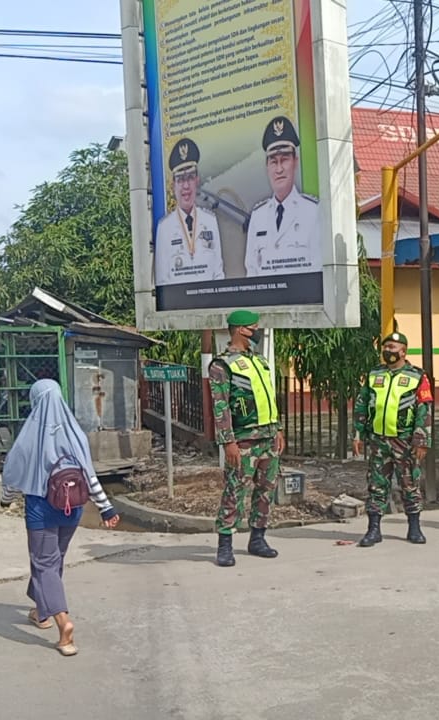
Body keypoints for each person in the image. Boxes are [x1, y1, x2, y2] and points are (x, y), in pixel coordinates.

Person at [0, 379, 120, 656]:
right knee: (53, 561)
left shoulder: (29, 436)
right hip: (73, 509)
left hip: (40, 509)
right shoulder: (75, 433)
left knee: (45, 563)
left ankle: (63, 624)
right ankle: (41, 611)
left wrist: (6, 500)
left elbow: (13, 476)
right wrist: (106, 508)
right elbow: (89, 476)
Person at [208, 309, 285, 567]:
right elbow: (220, 406)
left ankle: (258, 539)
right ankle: (225, 544)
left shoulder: (259, 360)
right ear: (241, 330)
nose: (257, 331)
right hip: (243, 440)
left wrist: (278, 428)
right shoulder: (222, 364)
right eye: (254, 327)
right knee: (235, 491)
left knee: (266, 490)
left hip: (268, 437)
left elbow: (268, 397)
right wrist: (228, 442)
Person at [352, 332, 433, 547]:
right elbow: (362, 404)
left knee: (409, 484)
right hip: (378, 440)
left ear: (403, 351)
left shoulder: (417, 376)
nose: (387, 350)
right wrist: (358, 433)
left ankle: (414, 528)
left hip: (404, 441)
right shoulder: (374, 374)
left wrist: (421, 440)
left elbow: (424, 410)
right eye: (385, 347)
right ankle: (373, 530)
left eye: (392, 347)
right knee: (376, 485)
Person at [244, 115, 321, 277]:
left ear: (295, 162)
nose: (279, 169)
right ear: (267, 166)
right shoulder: (258, 216)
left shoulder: (313, 211)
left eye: (284, 160)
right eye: (274, 162)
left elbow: (318, 269)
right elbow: (251, 270)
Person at [154, 137, 225, 286]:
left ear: (197, 180)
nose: (186, 186)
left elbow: (218, 272)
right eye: (180, 179)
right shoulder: (164, 227)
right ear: (173, 185)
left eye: (190, 178)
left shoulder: (210, 220)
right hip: (179, 300)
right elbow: (162, 280)